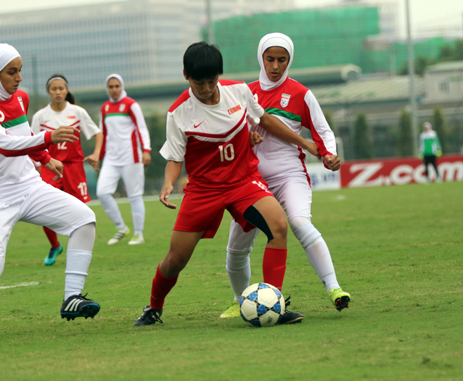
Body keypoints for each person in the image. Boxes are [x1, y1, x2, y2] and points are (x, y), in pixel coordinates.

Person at [134, 42, 319, 327]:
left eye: (212, 81)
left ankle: (274, 304)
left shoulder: (239, 91)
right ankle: (153, 307)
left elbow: (265, 120)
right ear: (186, 75)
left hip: (243, 181)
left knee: (279, 227)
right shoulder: (178, 112)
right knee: (176, 259)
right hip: (203, 190)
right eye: (199, 82)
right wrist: (167, 184)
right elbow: (174, 158)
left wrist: (304, 142)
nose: (207, 89)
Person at [0, 44, 101, 342]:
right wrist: (49, 138)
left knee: (84, 219)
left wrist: (45, 158)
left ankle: (72, 298)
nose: (18, 78)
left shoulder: (21, 98)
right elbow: (4, 143)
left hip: (30, 186)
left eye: (19, 71)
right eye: (11, 72)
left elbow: (22, 137)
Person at [219, 33, 351, 319]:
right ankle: (238, 300)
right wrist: (246, 137)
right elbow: (230, 130)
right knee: (237, 247)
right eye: (270, 59)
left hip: (290, 174)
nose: (275, 65)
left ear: (289, 60)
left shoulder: (302, 93)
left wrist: (329, 153)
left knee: (300, 223)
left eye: (282, 59)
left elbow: (322, 130)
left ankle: (334, 288)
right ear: (261, 58)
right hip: (252, 180)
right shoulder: (244, 92)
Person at [31, 74, 103, 266]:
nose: (58, 92)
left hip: (73, 167)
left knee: (81, 211)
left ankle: (79, 251)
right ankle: (55, 245)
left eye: (61, 88)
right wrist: (35, 165)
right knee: (42, 207)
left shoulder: (77, 112)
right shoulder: (40, 116)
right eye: (54, 89)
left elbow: (97, 133)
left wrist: (96, 154)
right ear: (48, 91)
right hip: (50, 166)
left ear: (67, 90)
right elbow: (30, 143)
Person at [97, 74, 151, 245]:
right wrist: (98, 156)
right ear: (107, 88)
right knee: (102, 192)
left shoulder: (131, 105)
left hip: (131, 157)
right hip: (111, 159)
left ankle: (139, 234)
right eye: (111, 86)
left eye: (117, 86)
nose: (114, 90)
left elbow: (141, 129)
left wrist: (146, 151)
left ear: (122, 86)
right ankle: (121, 227)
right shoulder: (104, 108)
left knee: (134, 196)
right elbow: (102, 134)